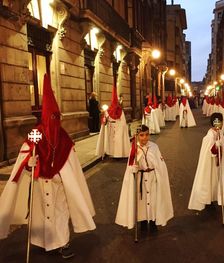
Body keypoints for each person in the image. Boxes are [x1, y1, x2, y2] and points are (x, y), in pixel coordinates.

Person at [0, 74, 96, 259]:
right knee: (42, 212)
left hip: (58, 183)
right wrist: (29, 163)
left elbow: (72, 161)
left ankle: (62, 243)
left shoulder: (63, 137)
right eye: (51, 117)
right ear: (45, 117)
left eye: (57, 117)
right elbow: (26, 152)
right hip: (40, 181)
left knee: (60, 211)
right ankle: (44, 242)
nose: (54, 121)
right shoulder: (36, 133)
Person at [115, 125, 173, 232]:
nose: (144, 138)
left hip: (152, 178)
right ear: (137, 136)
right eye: (141, 135)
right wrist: (134, 167)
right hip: (140, 180)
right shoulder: (134, 149)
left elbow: (160, 164)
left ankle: (152, 221)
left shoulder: (154, 147)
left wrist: (159, 175)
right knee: (141, 202)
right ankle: (142, 222)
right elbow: (130, 167)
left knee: (153, 200)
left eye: (147, 135)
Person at [188, 113, 224, 211]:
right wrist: (215, 147)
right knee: (212, 182)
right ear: (217, 122)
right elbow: (208, 152)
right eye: (220, 121)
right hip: (213, 165)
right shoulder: (209, 137)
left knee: (223, 181)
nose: (222, 123)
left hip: (221, 163)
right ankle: (211, 201)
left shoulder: (219, 132)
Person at [96, 85, 130, 158]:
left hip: (115, 128)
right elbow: (106, 119)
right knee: (112, 142)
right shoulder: (110, 111)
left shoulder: (118, 111)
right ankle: (112, 153)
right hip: (112, 127)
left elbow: (122, 121)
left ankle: (118, 154)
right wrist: (105, 116)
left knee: (116, 141)